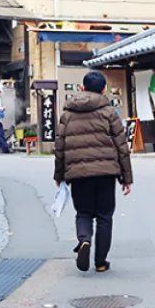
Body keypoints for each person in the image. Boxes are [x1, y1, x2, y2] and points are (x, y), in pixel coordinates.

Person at [54, 70, 133, 273]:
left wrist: (59, 175)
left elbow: (60, 146)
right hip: (106, 173)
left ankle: (84, 240)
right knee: (105, 216)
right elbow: (121, 146)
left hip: (78, 173)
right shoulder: (109, 113)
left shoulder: (67, 114)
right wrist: (126, 178)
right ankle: (100, 262)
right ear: (104, 90)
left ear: (82, 88)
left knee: (83, 213)